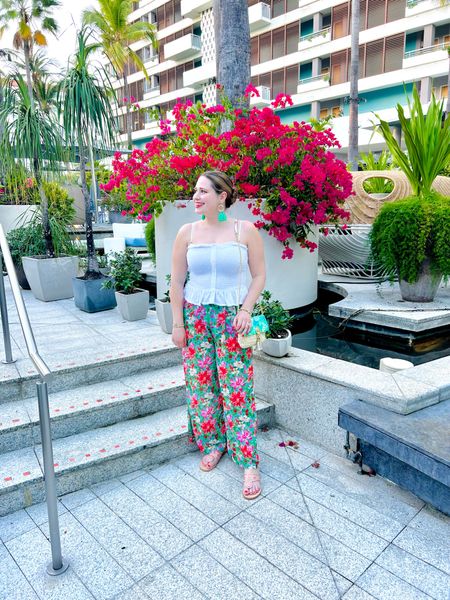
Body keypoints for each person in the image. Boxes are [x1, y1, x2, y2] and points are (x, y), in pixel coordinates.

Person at [170, 170, 266, 500]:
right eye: (195, 191)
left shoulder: (245, 230)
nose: (195, 197)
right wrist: (178, 325)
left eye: (202, 192)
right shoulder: (187, 232)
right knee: (201, 385)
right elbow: (175, 282)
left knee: (237, 388)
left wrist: (246, 309)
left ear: (222, 196)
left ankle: (248, 460)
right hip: (195, 316)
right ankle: (212, 443)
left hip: (232, 318)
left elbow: (259, 276)